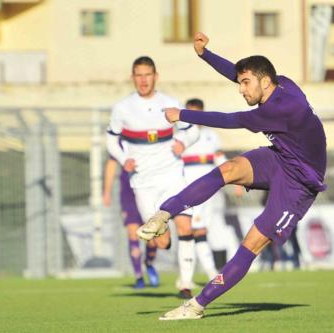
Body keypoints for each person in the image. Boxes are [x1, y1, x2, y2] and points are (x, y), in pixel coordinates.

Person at [137, 32, 327, 320]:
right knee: (227, 169)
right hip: (281, 157)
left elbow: (228, 120)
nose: (241, 89)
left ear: (264, 82)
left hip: (300, 182)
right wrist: (206, 55)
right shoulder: (281, 82)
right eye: (241, 83)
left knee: (251, 243)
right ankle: (164, 214)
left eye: (245, 84)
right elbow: (238, 72)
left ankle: (196, 306)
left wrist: (183, 114)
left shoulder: (278, 110)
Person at [106, 56, 200, 298]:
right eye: (139, 75)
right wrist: (122, 157)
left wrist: (182, 142)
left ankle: (186, 285)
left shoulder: (169, 103)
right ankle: (162, 242)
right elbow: (110, 140)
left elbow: (193, 131)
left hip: (171, 175)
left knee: (185, 225)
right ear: (132, 78)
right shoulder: (122, 108)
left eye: (148, 74)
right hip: (143, 182)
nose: (143, 80)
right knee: (161, 241)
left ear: (156, 76)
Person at [180, 98, 226, 281]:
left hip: (208, 189)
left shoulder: (211, 135)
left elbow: (219, 158)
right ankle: (208, 273)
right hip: (187, 188)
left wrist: (236, 182)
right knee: (193, 231)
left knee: (200, 230)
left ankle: (189, 278)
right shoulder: (181, 136)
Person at [103, 157, 157, 288]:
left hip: (148, 189)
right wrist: (107, 191)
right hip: (129, 193)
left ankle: (149, 263)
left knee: (153, 239)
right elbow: (111, 163)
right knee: (133, 234)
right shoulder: (119, 140)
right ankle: (138, 276)